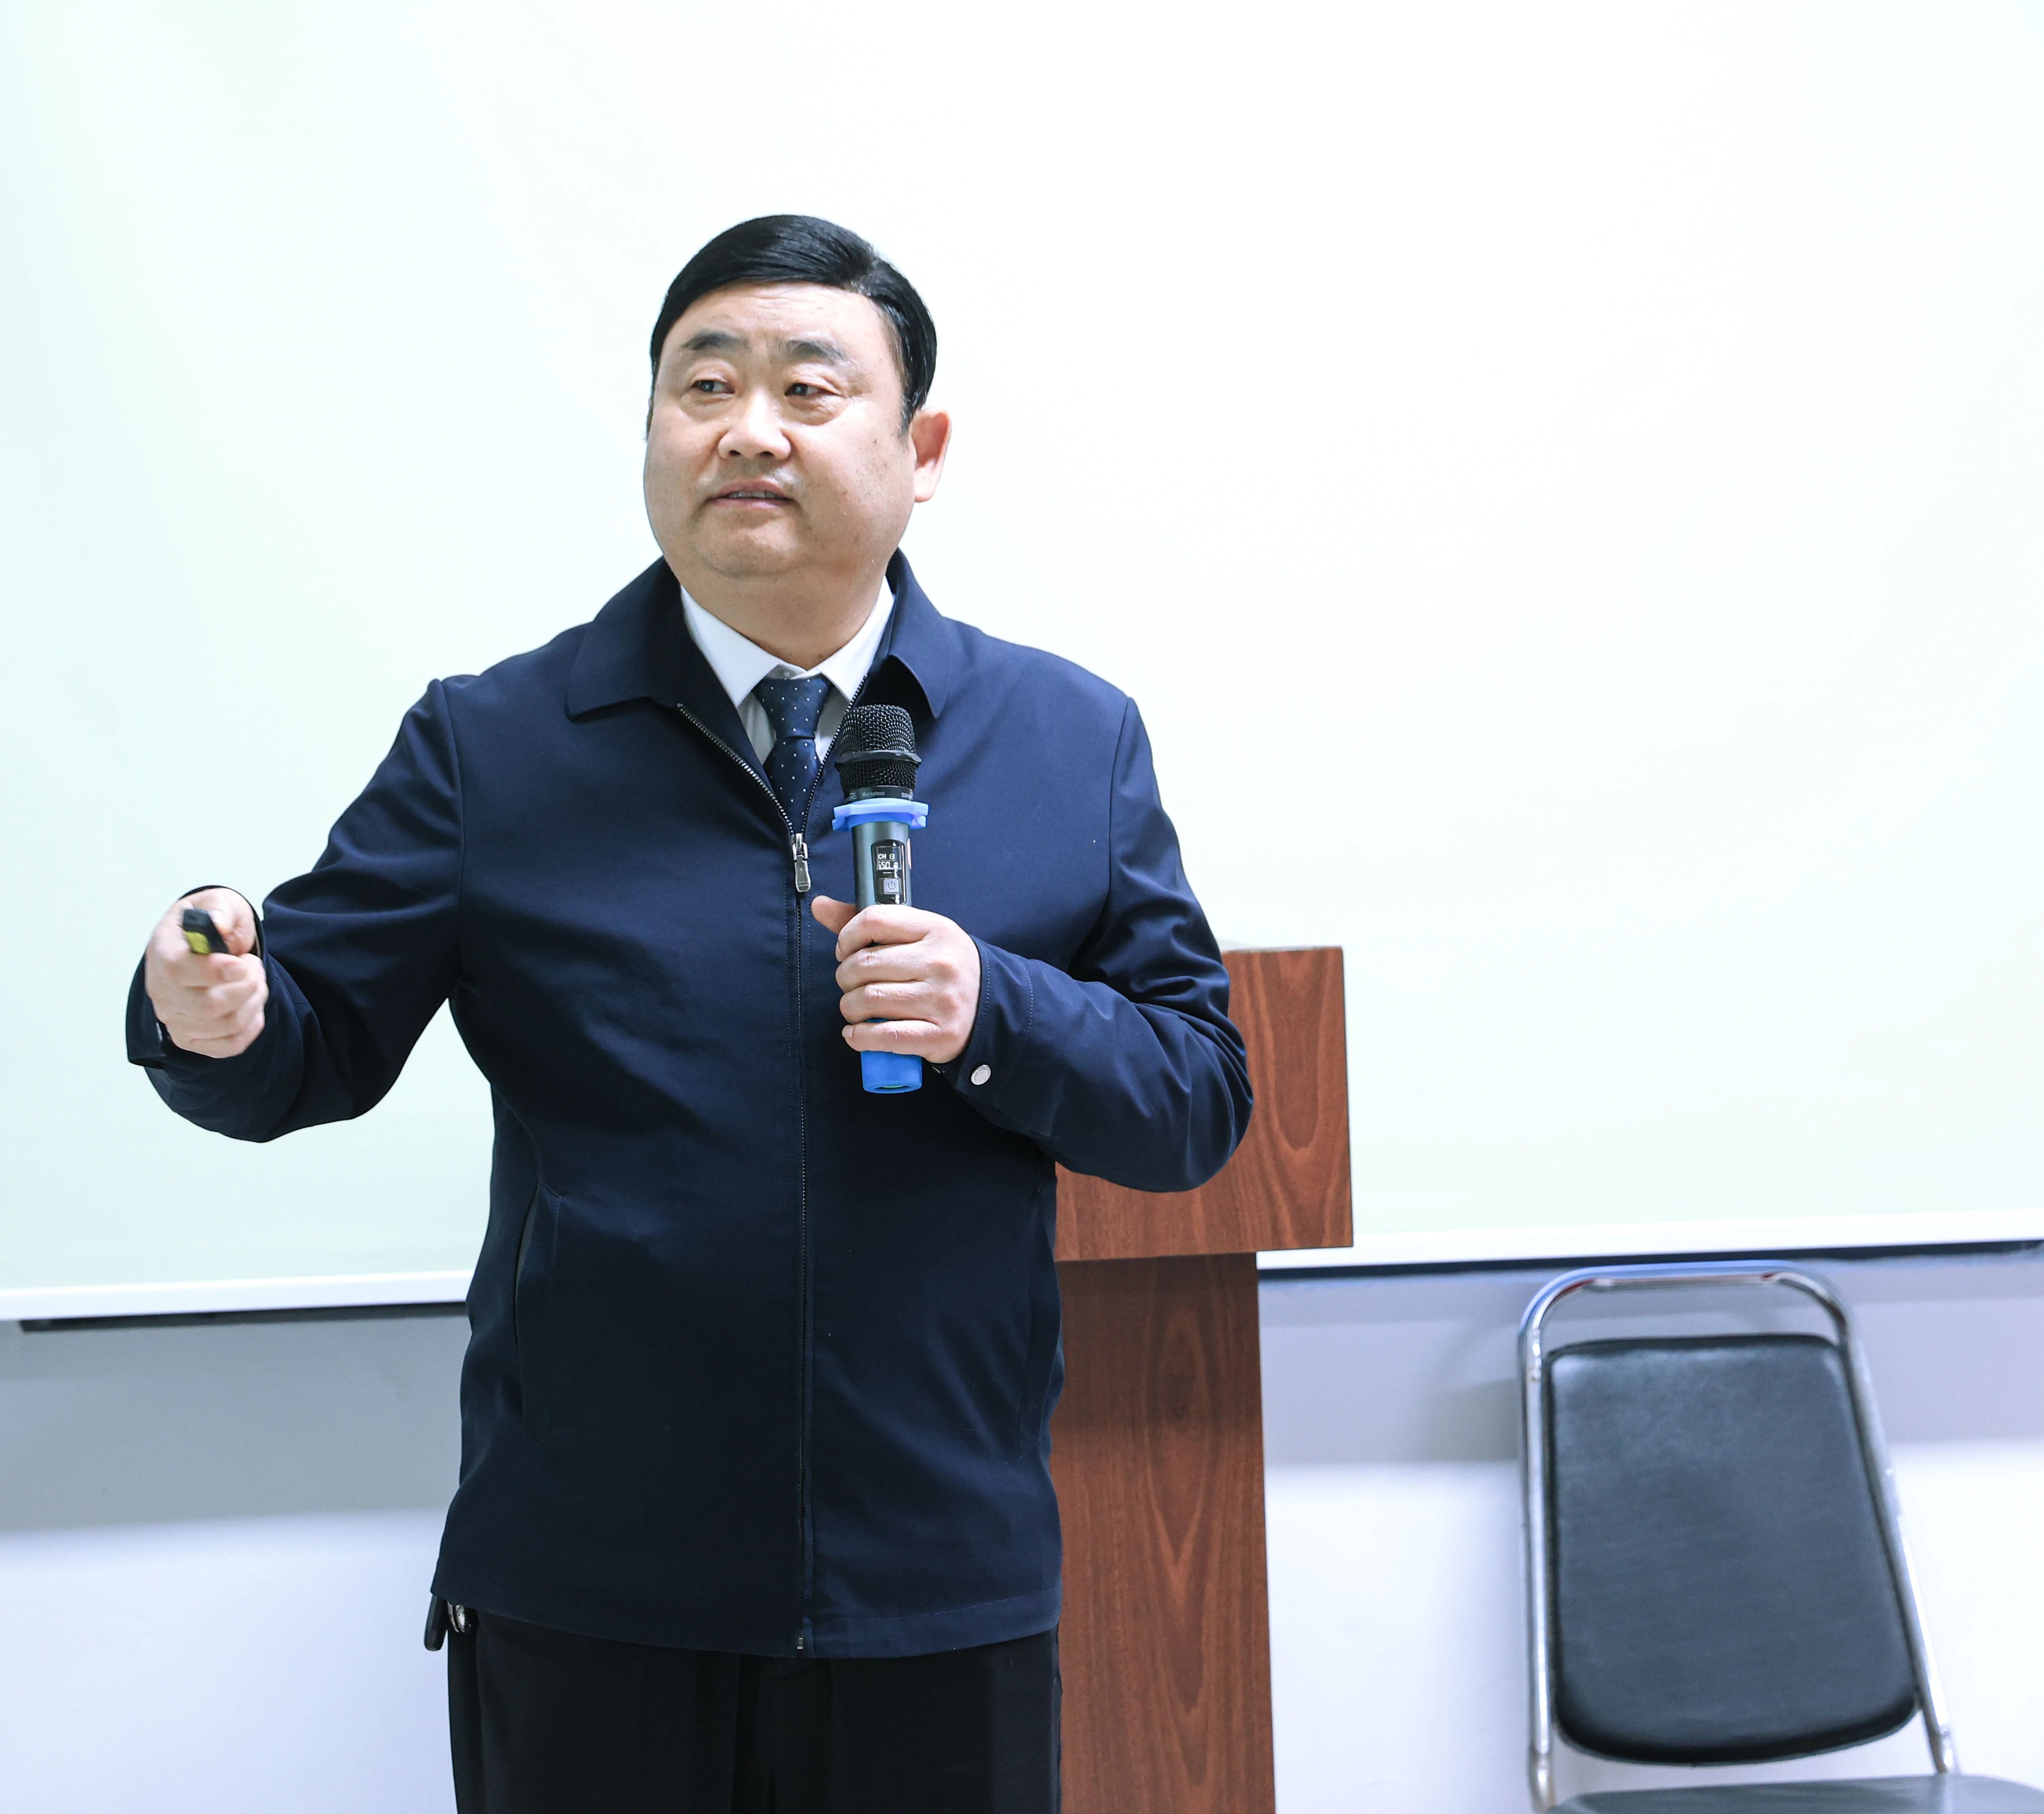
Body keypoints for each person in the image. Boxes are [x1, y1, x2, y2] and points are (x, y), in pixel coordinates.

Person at [127, 215, 1250, 1813]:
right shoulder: (498, 744)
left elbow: (1196, 1098)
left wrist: (993, 1009)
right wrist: (214, 1011)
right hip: (593, 1590)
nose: (748, 429)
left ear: (922, 451)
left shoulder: (1067, 737)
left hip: (935, 1585)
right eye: (703, 386)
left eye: (809, 388)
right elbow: (305, 1039)